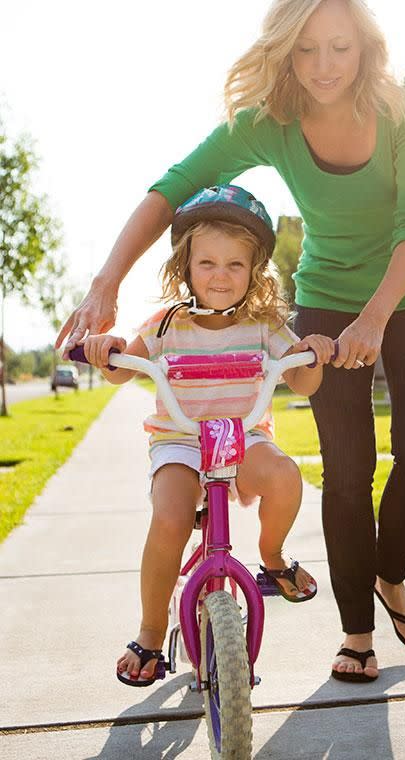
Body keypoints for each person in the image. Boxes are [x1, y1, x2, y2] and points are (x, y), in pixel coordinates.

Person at [59, 0, 405, 683]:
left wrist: (377, 318)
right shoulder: (272, 120)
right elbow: (173, 188)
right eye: (306, 51)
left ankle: (390, 578)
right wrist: (106, 283)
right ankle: (358, 637)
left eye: (339, 48)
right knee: (348, 469)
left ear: (366, 43)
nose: (323, 66)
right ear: (284, 52)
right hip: (329, 296)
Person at [83, 184, 335, 686]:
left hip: (242, 436)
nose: (221, 276)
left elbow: (304, 380)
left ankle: (272, 558)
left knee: (286, 477)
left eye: (235, 265)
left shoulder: (265, 325)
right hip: (180, 439)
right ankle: (152, 632)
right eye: (208, 264)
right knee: (172, 517)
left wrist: (311, 352)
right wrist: (108, 347)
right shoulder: (166, 325)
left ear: (255, 270)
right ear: (186, 267)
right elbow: (122, 368)